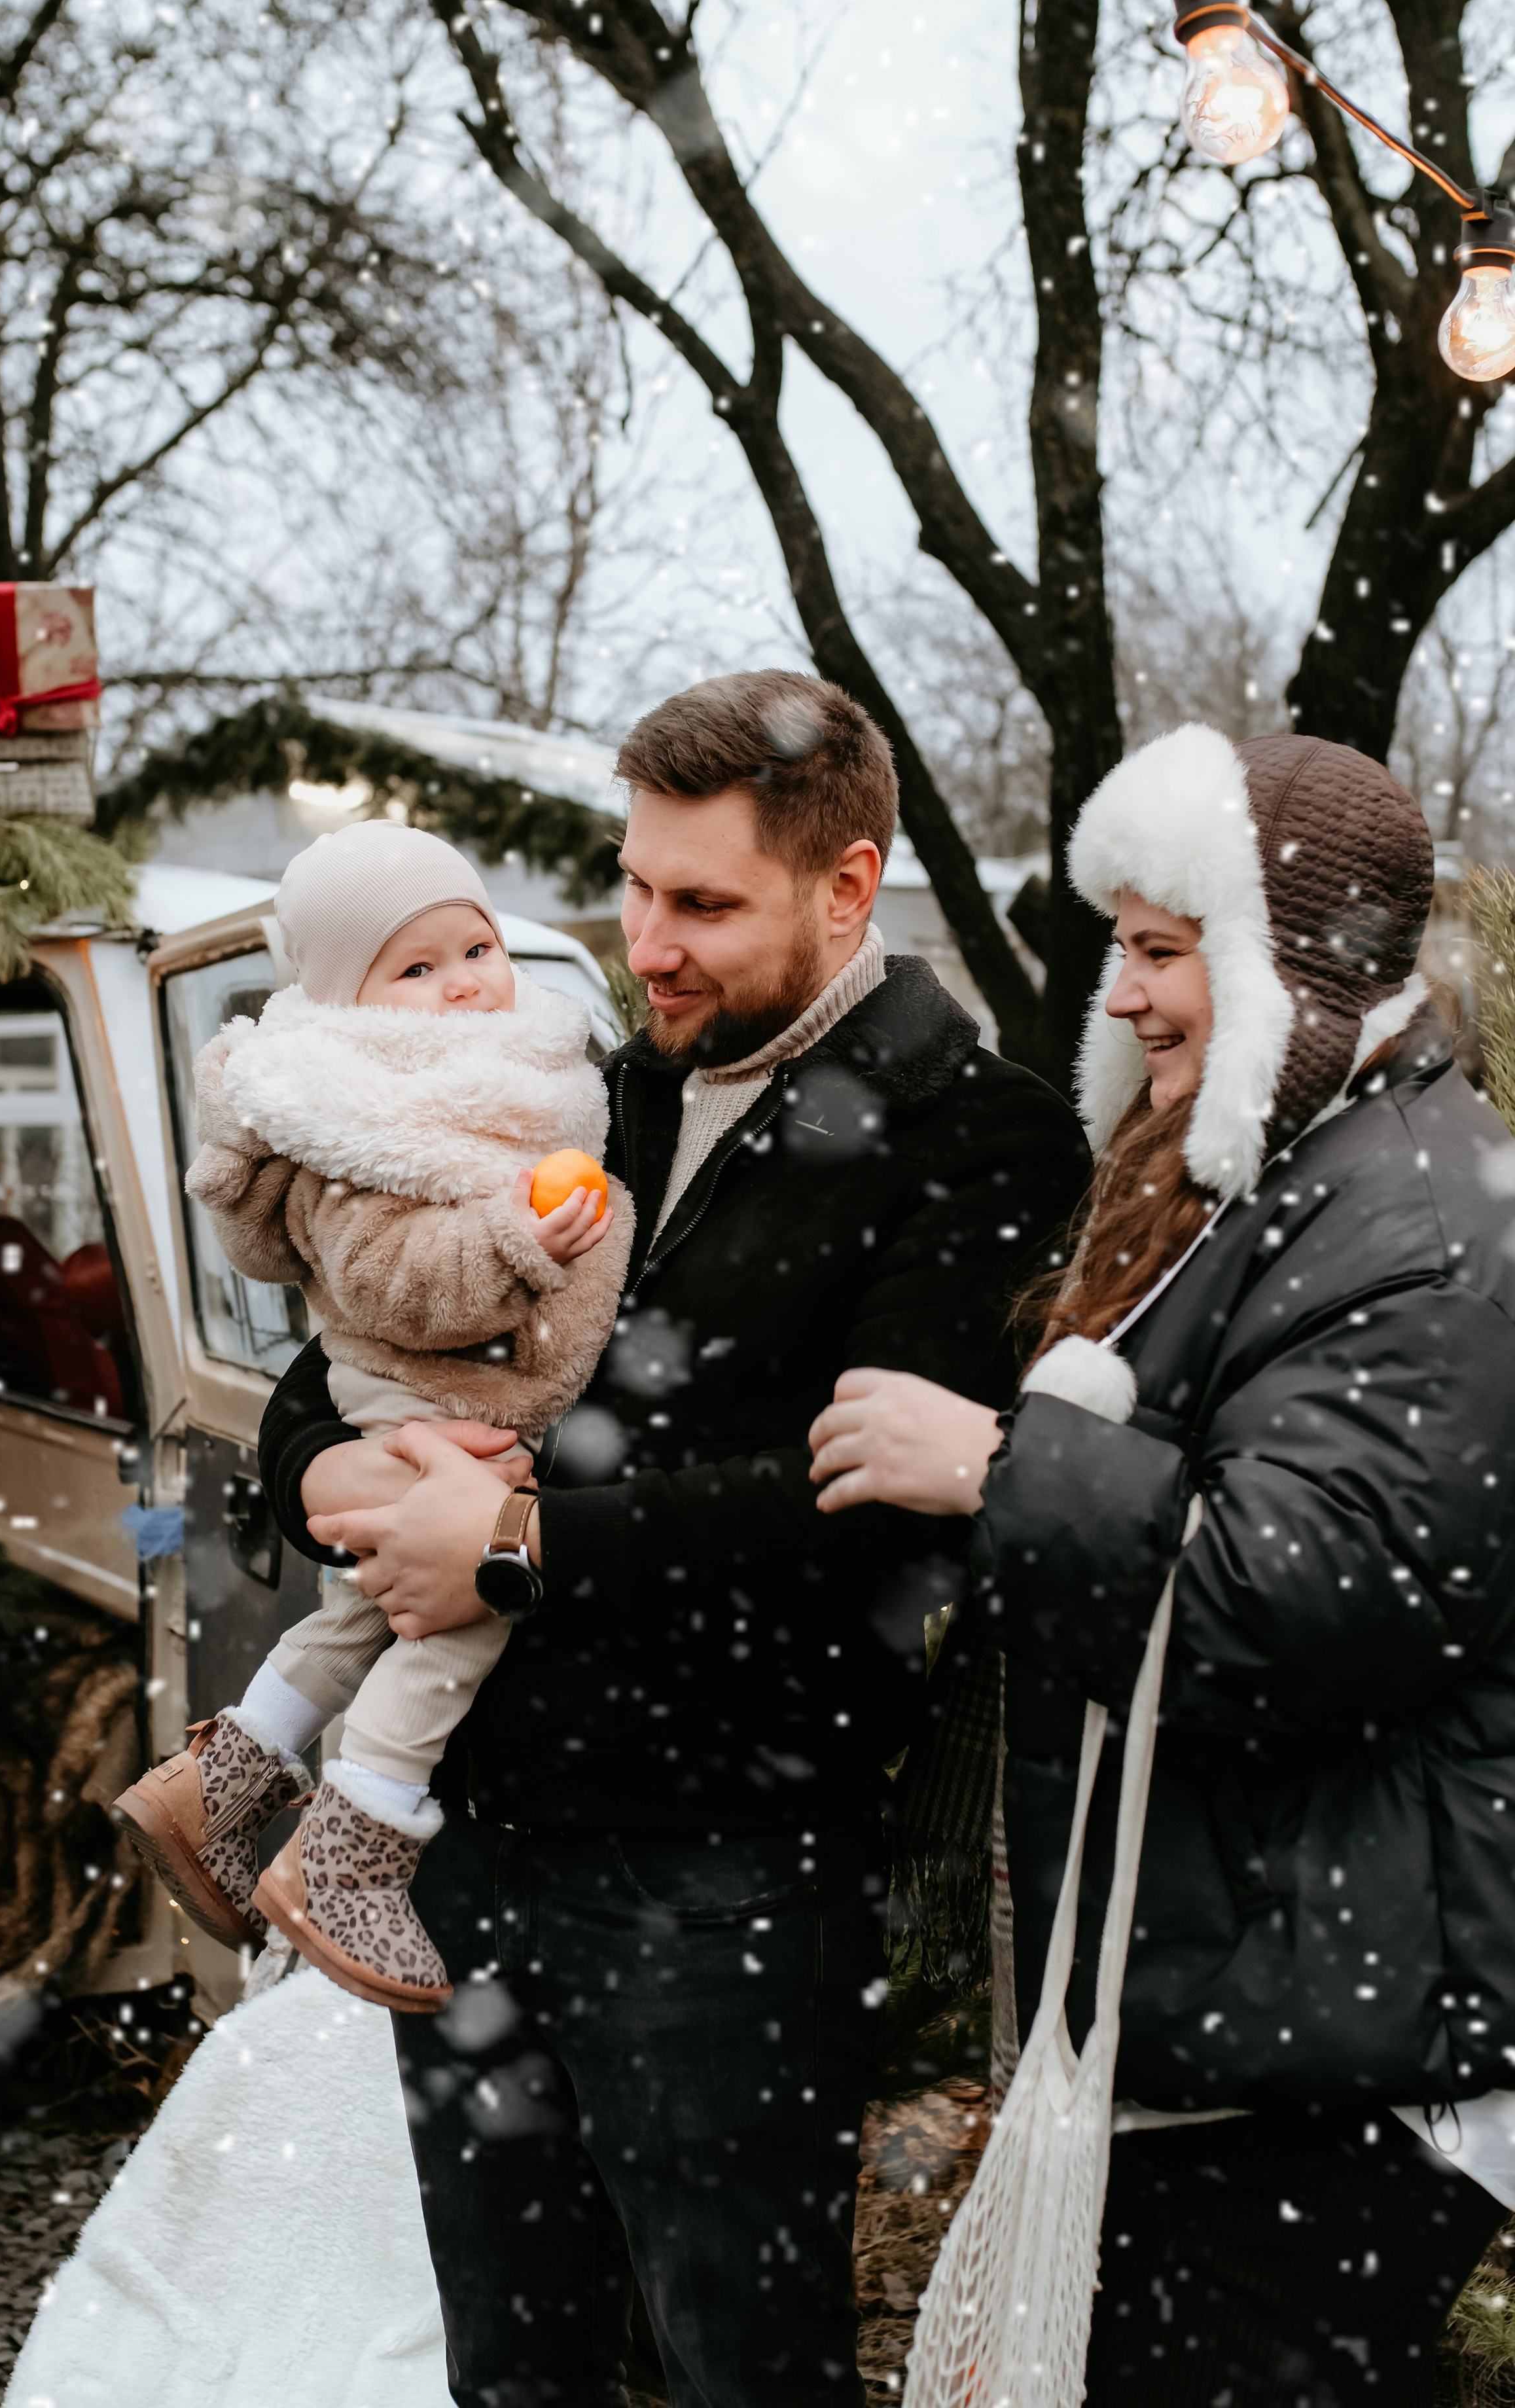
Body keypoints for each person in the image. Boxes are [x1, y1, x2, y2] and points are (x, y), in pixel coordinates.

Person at [257, 670, 1092, 2408]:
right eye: (635, 887)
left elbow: (866, 1517)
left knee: (738, 2366)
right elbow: (352, 1337)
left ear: (847, 889)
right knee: (511, 2361)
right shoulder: (591, 1093)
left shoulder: (980, 1134)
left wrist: (516, 1540)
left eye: (703, 902)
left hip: (724, 1877)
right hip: (476, 1853)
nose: (650, 941)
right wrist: (334, 1481)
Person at [808, 720, 1515, 2407]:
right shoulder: (1294, 1175)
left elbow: (1295, 1602)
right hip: (1253, 2013)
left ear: (1291, 966)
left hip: (1328, 2060)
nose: (1115, 997)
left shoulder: (1418, 1227)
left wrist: (991, 1466)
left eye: (1159, 950)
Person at [116, 821, 630, 2009]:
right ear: (354, 1002)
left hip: (459, 1392)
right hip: (428, 1398)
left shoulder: (509, 1077)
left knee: (367, 1607)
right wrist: (513, 1240)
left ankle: (219, 1783)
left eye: (478, 948)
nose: (463, 984)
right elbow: (382, 1280)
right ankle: (355, 1846)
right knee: (470, 1604)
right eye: (417, 968)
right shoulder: (360, 1109)